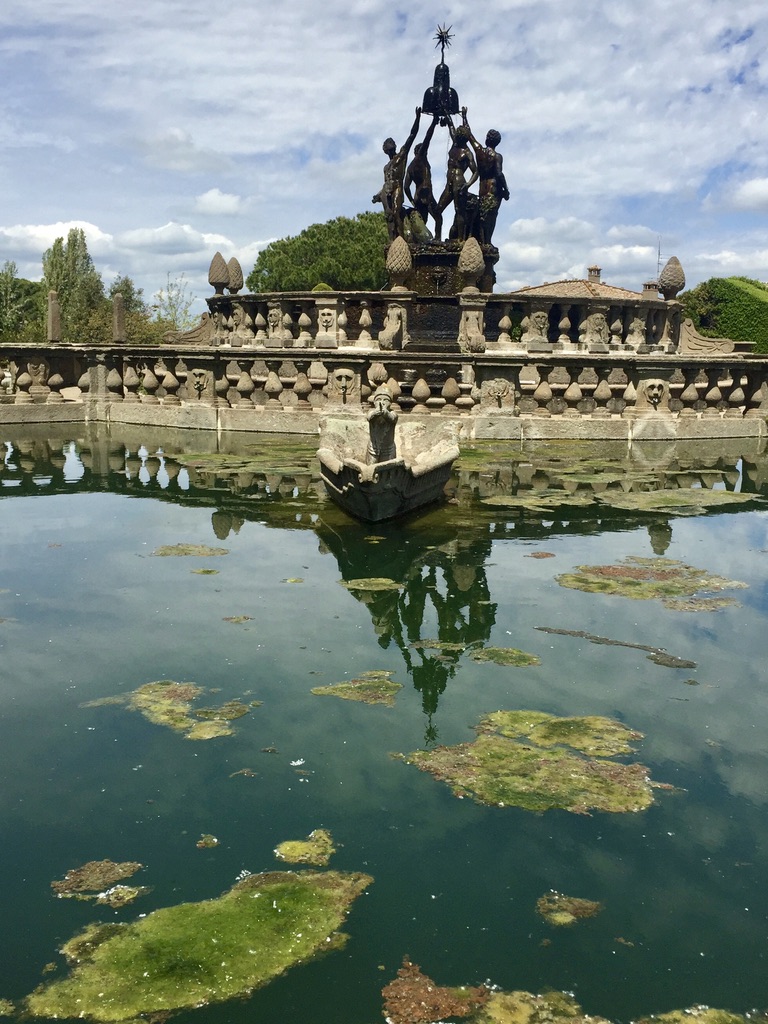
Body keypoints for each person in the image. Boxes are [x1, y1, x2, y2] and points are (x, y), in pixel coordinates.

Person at [460, 107, 509, 244]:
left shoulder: (479, 151)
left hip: (482, 192)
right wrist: (506, 189)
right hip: (493, 192)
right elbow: (499, 174)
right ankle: (487, 244)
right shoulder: (497, 156)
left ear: (488, 139)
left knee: (482, 221)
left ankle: (484, 243)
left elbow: (468, 134)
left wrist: (464, 116)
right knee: (490, 221)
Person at [373, 108, 422, 240]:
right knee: (389, 217)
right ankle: (393, 241)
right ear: (384, 150)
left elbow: (412, 135)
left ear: (394, 145)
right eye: (386, 144)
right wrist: (378, 195)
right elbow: (385, 184)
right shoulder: (386, 167)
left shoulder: (401, 156)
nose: (388, 145)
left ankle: (400, 241)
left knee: (396, 212)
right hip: (387, 192)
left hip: (398, 188)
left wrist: (417, 118)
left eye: (390, 143)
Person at [436, 120, 478, 243]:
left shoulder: (467, 152)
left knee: (459, 211)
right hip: (449, 184)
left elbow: (476, 171)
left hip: (459, 183)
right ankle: (437, 238)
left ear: (464, 139)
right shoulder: (455, 144)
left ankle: (460, 240)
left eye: (460, 139)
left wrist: (468, 184)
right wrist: (446, 112)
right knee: (438, 209)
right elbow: (451, 125)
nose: (457, 140)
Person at [405, 113, 442, 241]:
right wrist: (434, 122)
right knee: (438, 217)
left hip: (417, 196)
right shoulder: (421, 159)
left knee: (423, 221)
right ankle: (437, 239)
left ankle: (417, 243)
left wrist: (411, 201)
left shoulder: (410, 167)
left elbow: (406, 187)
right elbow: (428, 137)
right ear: (420, 151)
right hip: (426, 194)